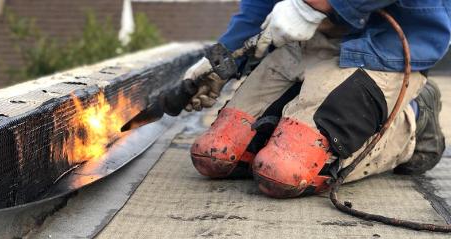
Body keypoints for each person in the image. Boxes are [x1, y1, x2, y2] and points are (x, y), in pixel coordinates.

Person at [186, 0, 450, 197]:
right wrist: (226, 56)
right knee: (215, 154)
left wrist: (316, 5)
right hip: (308, 38)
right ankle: (290, 125)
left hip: (381, 45)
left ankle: (413, 117)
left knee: (285, 172)